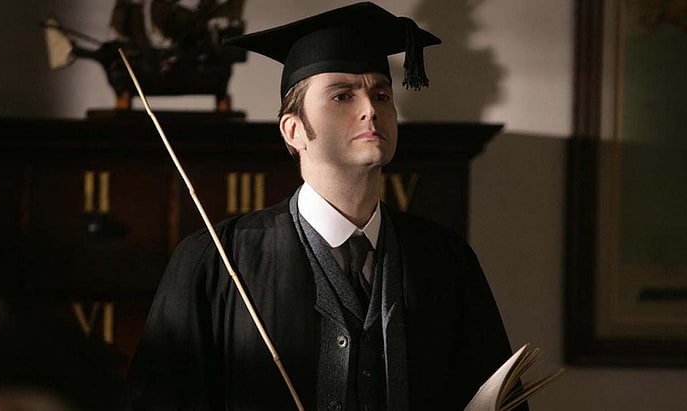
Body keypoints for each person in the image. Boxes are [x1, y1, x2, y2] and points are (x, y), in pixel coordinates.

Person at [127, 2, 525, 410]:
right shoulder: (214, 259)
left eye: (382, 94)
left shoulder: (447, 261)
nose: (371, 108)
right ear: (294, 129)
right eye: (342, 95)